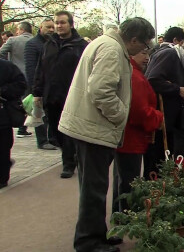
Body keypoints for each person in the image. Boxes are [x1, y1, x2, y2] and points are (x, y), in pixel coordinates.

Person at [58, 17, 155, 252]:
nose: (143, 50)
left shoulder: (107, 44)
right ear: (133, 39)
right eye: (143, 45)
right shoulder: (112, 49)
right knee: (94, 189)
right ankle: (89, 242)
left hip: (90, 127)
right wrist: (122, 114)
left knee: (95, 188)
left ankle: (95, 236)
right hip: (92, 129)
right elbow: (101, 91)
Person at [111, 48, 163, 234]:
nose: (147, 58)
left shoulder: (133, 73)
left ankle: (120, 220)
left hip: (126, 136)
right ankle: (125, 224)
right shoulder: (135, 77)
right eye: (143, 53)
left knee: (122, 180)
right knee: (128, 183)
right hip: (131, 138)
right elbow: (139, 112)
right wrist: (158, 117)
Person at [33, 11, 89, 178]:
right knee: (56, 131)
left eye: (62, 22)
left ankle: (69, 163)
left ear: (71, 24)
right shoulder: (48, 44)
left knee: (70, 130)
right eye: (56, 23)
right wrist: (37, 92)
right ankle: (70, 155)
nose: (58, 26)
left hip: (72, 94)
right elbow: (40, 69)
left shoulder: (81, 46)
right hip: (51, 94)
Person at [145, 39, 184, 172]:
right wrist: (179, 90)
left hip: (173, 120)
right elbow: (152, 80)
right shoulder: (169, 55)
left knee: (168, 160)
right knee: (157, 161)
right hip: (161, 119)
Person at [24, 17, 57, 150]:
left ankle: (52, 138)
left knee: (50, 114)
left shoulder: (54, 43)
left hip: (52, 85)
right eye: (48, 27)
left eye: (52, 27)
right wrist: (35, 88)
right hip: (38, 84)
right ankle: (42, 141)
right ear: (40, 28)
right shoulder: (32, 44)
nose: (50, 29)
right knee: (39, 114)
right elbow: (31, 67)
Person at [0, 21, 34, 138]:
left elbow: (1, 52)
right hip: (33, 76)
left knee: (19, 102)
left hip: (15, 74)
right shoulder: (36, 41)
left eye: (18, 30)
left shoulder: (13, 40)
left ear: (22, 30)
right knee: (31, 103)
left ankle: (21, 127)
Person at [0, 59, 27, 189]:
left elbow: (21, 85)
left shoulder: (6, 66)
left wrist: (2, 91)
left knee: (3, 147)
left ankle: (2, 177)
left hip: (2, 116)